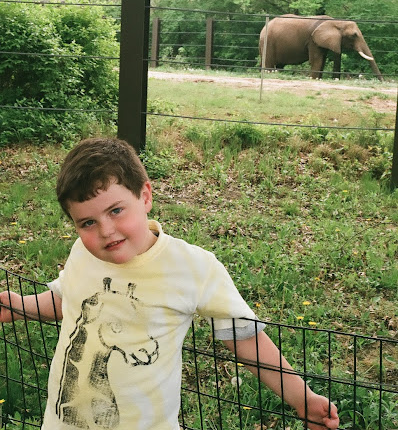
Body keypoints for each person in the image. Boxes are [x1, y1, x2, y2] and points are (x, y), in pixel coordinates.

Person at [0, 138, 339, 430]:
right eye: (87, 222)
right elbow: (70, 300)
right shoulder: (83, 253)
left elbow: (245, 338)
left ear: (145, 196)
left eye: (116, 211)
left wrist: (303, 398)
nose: (105, 231)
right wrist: (16, 305)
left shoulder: (193, 268)